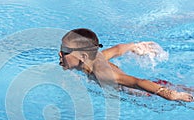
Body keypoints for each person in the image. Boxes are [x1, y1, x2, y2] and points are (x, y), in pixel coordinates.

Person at [59, 28, 194, 102]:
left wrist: (171, 95)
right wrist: (135, 47)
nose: (60, 54)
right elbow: (117, 49)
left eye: (65, 51)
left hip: (148, 93)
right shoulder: (96, 57)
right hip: (156, 85)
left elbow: (137, 82)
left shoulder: (102, 73)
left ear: (83, 56)